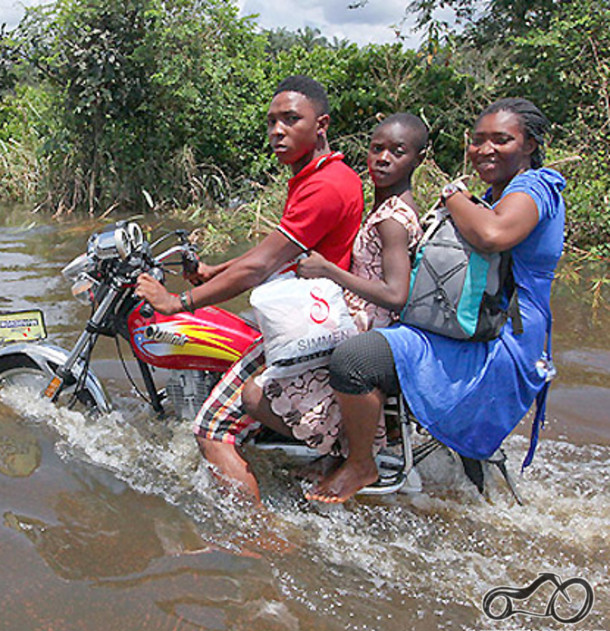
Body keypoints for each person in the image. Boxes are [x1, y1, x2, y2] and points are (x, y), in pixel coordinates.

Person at [310, 97, 566, 504]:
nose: (485, 150)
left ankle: (361, 462)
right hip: (476, 326)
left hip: (504, 342)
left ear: (530, 145)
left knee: (354, 359)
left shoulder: (536, 186)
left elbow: (493, 236)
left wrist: (452, 195)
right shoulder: (494, 192)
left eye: (501, 140)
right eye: (478, 140)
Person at [135, 75, 363, 502]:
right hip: (312, 309)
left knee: (210, 428)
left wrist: (175, 302)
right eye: (272, 121)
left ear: (321, 124)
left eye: (291, 119)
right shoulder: (320, 175)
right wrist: (216, 269)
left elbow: (261, 266)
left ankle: (255, 542)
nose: (278, 131)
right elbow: (278, 251)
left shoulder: (324, 186)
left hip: (315, 323)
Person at [240, 113, 427, 472]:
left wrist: (329, 270)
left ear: (418, 159)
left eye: (397, 151)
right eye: (377, 149)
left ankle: (338, 450)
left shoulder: (392, 218)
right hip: (355, 320)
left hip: (366, 330)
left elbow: (395, 293)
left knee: (254, 394)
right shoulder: (384, 207)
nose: (383, 158)